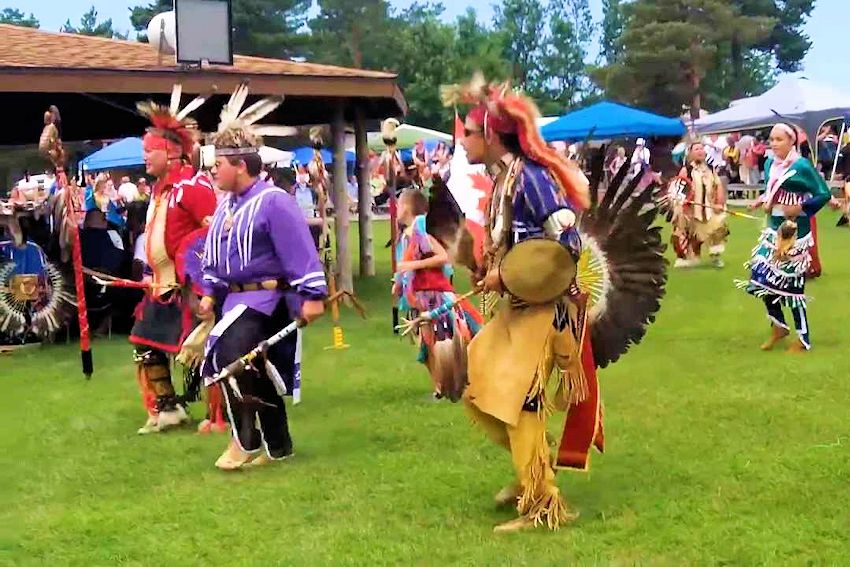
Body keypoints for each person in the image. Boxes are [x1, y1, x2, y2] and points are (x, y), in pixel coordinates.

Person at [455, 79, 593, 533]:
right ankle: (530, 463)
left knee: (520, 403)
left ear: (491, 135)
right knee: (473, 385)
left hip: (544, 310)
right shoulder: (504, 179)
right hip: (515, 308)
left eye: (468, 133)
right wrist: (490, 269)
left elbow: (568, 244)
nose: (463, 141)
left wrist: (512, 273)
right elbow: (509, 242)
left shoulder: (531, 179)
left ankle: (542, 502)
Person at [199, 84, 327, 470]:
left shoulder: (274, 202)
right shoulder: (227, 207)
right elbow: (216, 256)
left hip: (267, 301)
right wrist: (209, 291)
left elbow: (299, 251)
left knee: (229, 358)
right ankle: (279, 445)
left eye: (219, 163)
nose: (213, 169)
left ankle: (245, 441)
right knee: (254, 368)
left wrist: (313, 295)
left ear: (240, 164)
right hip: (234, 302)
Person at [129, 90, 217, 434]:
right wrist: (149, 271)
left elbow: (213, 236)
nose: (144, 158)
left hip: (190, 286)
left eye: (149, 151)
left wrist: (201, 282)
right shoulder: (160, 188)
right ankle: (168, 408)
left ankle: (220, 411)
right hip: (161, 285)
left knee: (205, 347)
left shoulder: (193, 186)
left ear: (169, 152)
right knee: (144, 343)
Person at [740, 123, 831, 352]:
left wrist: (801, 207)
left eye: (779, 139)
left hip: (795, 233)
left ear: (792, 141)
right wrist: (762, 201)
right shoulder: (770, 163)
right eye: (771, 139)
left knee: (792, 287)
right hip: (773, 230)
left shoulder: (802, 166)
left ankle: (803, 338)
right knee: (761, 280)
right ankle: (778, 326)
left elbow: (823, 194)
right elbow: (772, 190)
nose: (773, 143)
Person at [393, 188, 482, 400]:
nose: (396, 209)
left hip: (436, 294)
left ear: (407, 207)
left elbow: (442, 257)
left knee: (447, 341)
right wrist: (399, 283)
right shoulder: (408, 234)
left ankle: (454, 384)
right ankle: (441, 387)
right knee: (427, 346)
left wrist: (412, 265)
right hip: (421, 297)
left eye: (399, 205)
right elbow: (406, 264)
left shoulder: (422, 229)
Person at [669, 141, 729, 268]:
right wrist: (683, 205)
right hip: (691, 210)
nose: (700, 151)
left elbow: (718, 185)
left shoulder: (710, 168)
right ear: (690, 153)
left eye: (702, 148)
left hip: (708, 209)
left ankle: (715, 257)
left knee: (717, 229)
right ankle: (686, 258)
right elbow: (679, 188)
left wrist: (719, 202)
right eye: (696, 149)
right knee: (686, 233)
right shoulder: (686, 170)